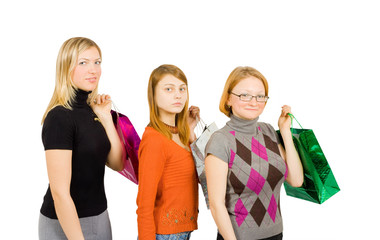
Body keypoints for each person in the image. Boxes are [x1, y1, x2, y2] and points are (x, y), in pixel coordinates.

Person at [205, 66, 304, 240]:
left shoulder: (268, 131)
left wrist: (285, 132)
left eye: (260, 96)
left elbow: (296, 180)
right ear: (228, 98)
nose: (254, 102)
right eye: (245, 95)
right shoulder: (221, 140)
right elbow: (216, 204)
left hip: (276, 234)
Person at [39, 37, 123, 240]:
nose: (93, 70)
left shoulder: (91, 110)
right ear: (66, 67)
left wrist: (105, 117)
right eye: (83, 62)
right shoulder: (60, 117)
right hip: (66, 223)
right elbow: (60, 193)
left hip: (100, 216)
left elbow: (118, 163)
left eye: (97, 62)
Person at [136, 64, 199, 240]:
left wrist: (190, 131)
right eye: (169, 89)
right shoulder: (154, 140)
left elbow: (202, 177)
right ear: (153, 95)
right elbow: (144, 204)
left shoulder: (182, 134)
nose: (178, 94)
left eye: (182, 88)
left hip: (182, 232)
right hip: (163, 234)